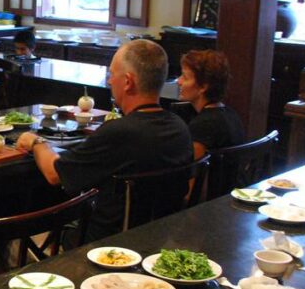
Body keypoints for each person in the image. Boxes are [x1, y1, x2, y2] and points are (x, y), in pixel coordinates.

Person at [16, 40, 193, 242]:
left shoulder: (118, 133)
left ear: (127, 82)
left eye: (112, 74)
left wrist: (36, 142)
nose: (109, 81)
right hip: (161, 242)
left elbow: (54, 174)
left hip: (105, 249)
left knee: (10, 244)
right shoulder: (181, 129)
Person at [177, 49, 246, 159]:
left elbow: (194, 173)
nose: (178, 81)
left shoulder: (204, 125)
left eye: (185, 77)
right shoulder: (231, 114)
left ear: (203, 86)